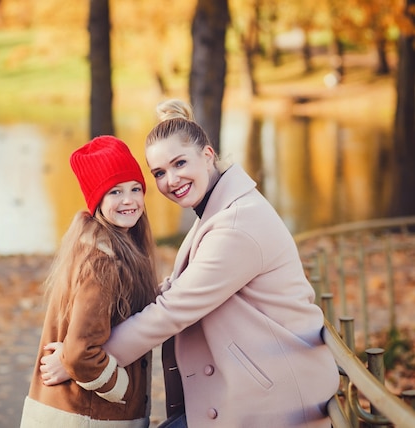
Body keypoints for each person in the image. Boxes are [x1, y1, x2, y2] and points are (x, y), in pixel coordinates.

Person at [41, 100, 340, 427]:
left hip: (276, 395)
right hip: (247, 380)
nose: (171, 180)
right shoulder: (217, 208)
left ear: (208, 155)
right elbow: (181, 287)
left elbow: (173, 309)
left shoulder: (237, 225)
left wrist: (77, 359)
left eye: (179, 163)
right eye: (159, 173)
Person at [19, 135, 160, 427]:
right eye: (115, 192)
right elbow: (82, 353)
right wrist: (123, 387)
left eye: (135, 189)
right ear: (97, 200)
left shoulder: (116, 248)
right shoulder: (102, 262)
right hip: (88, 416)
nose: (129, 200)